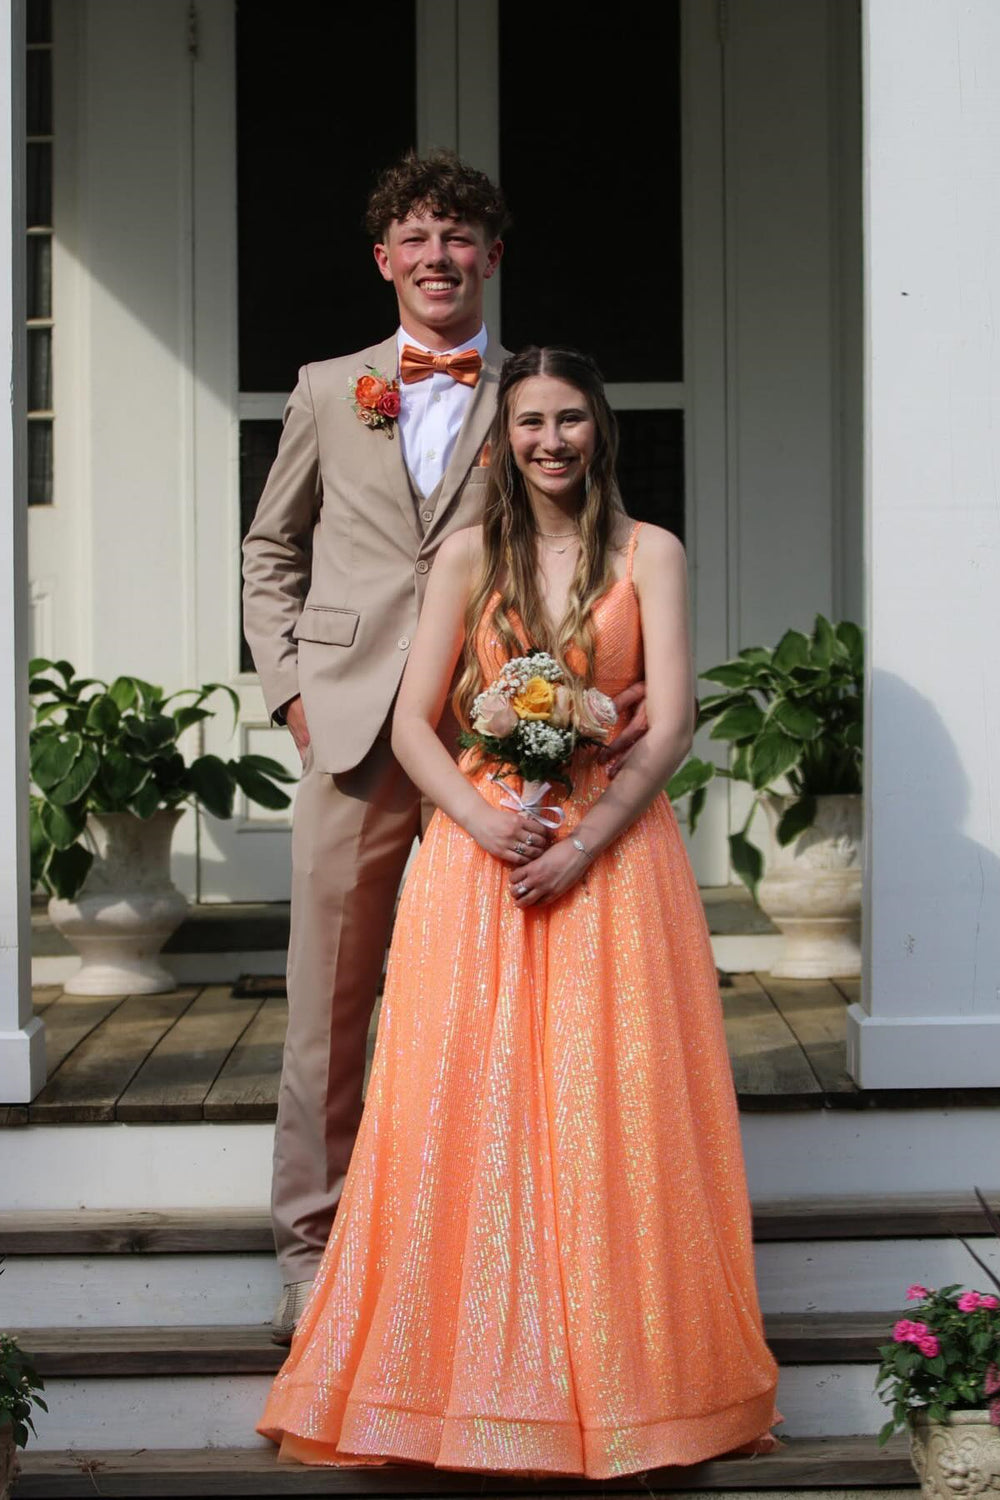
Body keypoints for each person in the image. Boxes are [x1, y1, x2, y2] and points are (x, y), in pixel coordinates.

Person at [257, 346, 781, 1479]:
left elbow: (674, 722)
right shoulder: (461, 558)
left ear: (600, 431)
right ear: (504, 437)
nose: (551, 441)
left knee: (611, 1110)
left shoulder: (653, 554)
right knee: (465, 1103)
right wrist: (484, 821)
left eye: (571, 421)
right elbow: (410, 727)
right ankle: (460, 1384)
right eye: (531, 421)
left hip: (612, 861)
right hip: (477, 858)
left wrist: (584, 840)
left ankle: (629, 1385)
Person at [242, 150, 652, 1343]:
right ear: (384, 259)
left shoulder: (527, 390)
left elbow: (592, 535)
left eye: (459, 238)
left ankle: (470, 1243)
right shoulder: (331, 387)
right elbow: (273, 550)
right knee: (330, 995)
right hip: (355, 730)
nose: (437, 257)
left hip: (502, 738)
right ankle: (310, 1250)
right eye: (415, 238)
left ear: (491, 257)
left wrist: (600, 684)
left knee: (492, 1001)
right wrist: (293, 698)